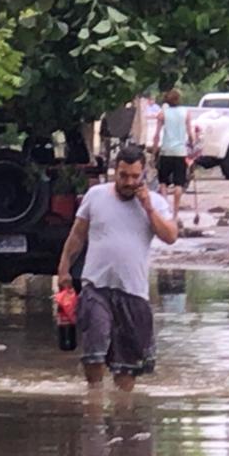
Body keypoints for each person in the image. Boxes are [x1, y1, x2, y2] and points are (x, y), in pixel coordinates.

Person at [56, 146, 179, 392]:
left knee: (128, 366)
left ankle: (124, 413)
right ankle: (94, 399)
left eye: (135, 177)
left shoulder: (154, 202)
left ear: (144, 175)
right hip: (96, 287)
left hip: (133, 292)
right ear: (115, 172)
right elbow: (77, 235)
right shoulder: (96, 195)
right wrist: (64, 269)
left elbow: (170, 236)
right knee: (95, 348)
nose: (129, 182)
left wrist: (148, 207)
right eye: (123, 176)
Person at [150, 89, 195, 224]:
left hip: (166, 151)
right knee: (179, 183)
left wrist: (154, 151)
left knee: (163, 182)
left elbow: (157, 135)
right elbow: (190, 133)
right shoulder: (186, 113)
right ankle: (175, 214)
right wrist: (192, 144)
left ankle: (165, 211)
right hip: (180, 152)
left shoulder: (162, 114)